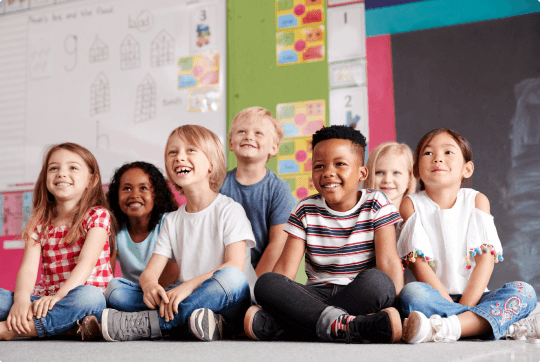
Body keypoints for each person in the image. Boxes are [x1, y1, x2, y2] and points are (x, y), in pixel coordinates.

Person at [244, 125, 404, 344]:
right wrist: (275, 296)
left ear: (362, 173)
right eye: (319, 166)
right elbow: (284, 271)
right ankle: (351, 326)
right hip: (314, 295)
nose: (328, 172)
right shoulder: (305, 209)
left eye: (340, 164)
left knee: (378, 283)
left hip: (359, 292)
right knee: (266, 283)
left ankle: (289, 327)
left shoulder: (377, 203)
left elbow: (388, 260)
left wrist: (398, 309)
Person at [101, 125, 257, 342]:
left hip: (228, 302)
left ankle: (151, 325)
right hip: (187, 299)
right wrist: (150, 287)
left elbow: (234, 267)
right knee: (116, 289)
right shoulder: (172, 220)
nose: (179, 157)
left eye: (190, 150)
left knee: (231, 278)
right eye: (172, 152)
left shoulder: (230, 210)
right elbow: (149, 274)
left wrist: (187, 286)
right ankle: (192, 323)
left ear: (211, 164)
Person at [397, 128, 537, 343]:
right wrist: (458, 310)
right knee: (411, 294)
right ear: (416, 171)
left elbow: (486, 260)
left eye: (448, 152)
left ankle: (448, 327)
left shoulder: (477, 200)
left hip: (477, 297)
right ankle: (489, 326)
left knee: (525, 292)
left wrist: (467, 306)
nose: (438, 159)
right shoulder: (411, 204)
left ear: (467, 169)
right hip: (434, 299)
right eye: (428, 153)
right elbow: (418, 264)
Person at [0, 143, 113, 341]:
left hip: (80, 299)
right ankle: (67, 327)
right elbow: (28, 269)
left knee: (90, 297)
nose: (61, 173)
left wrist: (60, 297)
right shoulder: (39, 222)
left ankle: (17, 329)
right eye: (54, 168)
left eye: (73, 168)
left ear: (91, 180)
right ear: (45, 178)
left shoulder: (97, 216)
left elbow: (86, 263)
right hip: (45, 301)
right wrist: (21, 300)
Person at [220, 107, 296, 276]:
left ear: (274, 148)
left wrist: (252, 287)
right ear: (231, 143)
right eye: (241, 131)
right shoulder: (218, 185)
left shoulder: (278, 189)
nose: (249, 136)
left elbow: (277, 244)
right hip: (224, 272)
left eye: (258, 133)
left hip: (262, 275)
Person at [104, 162, 179, 311]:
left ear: (156, 195)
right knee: (114, 290)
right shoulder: (115, 229)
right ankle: (153, 318)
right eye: (127, 188)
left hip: (167, 291)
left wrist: (154, 293)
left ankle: (145, 316)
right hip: (135, 295)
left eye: (143, 188)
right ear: (116, 196)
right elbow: (107, 273)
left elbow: (173, 272)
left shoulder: (168, 221)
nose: (134, 195)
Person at [364, 141, 415, 211]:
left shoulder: (419, 219)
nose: (387, 180)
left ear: (409, 179)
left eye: (396, 173)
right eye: (379, 172)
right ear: (368, 176)